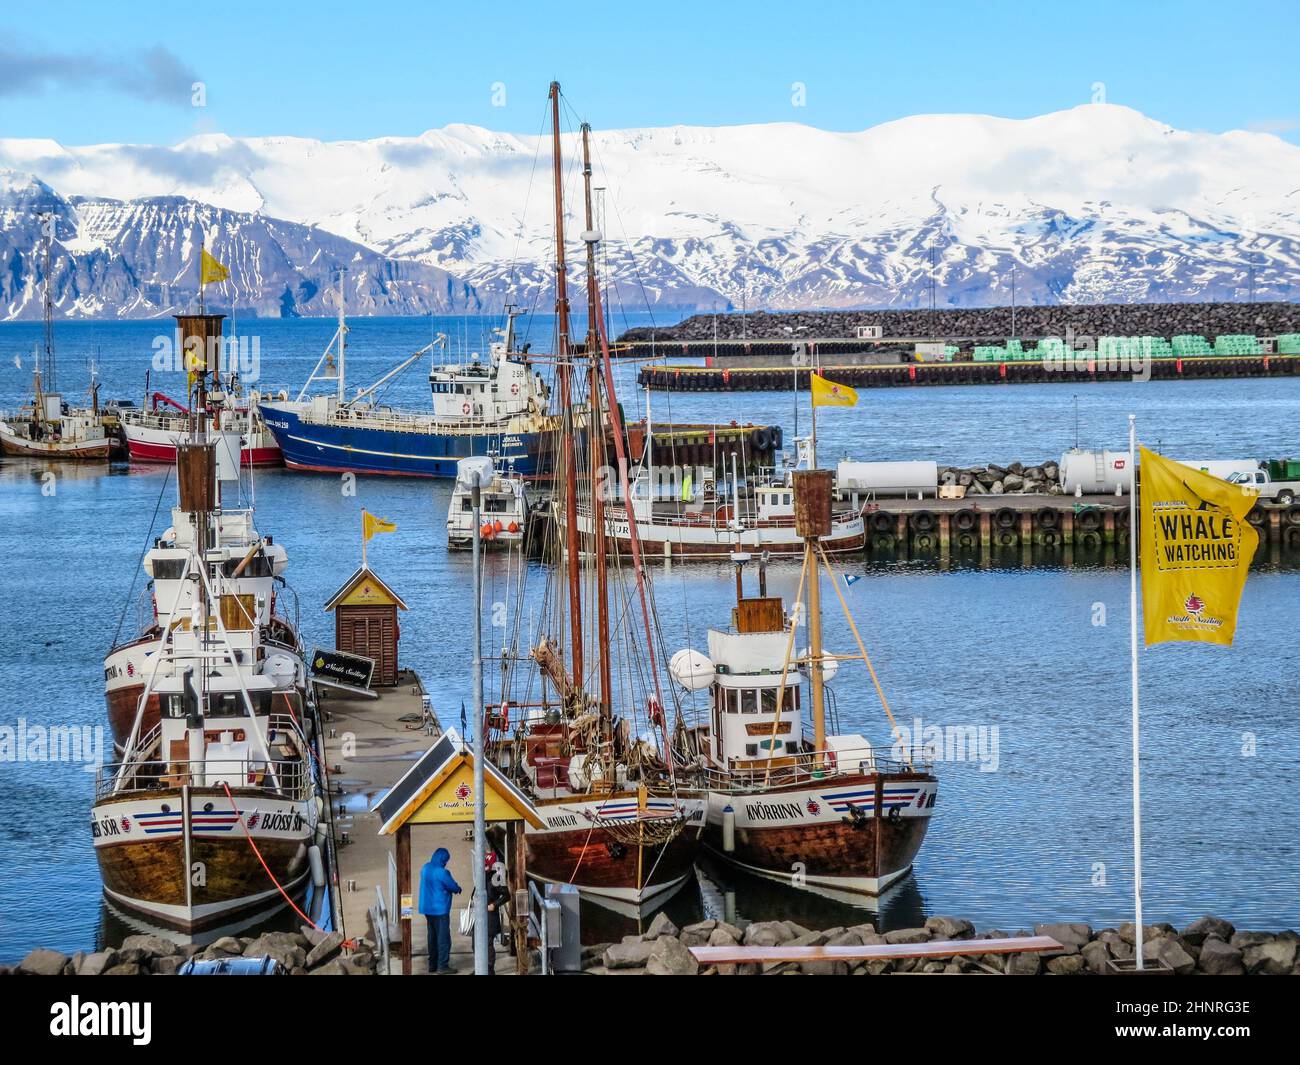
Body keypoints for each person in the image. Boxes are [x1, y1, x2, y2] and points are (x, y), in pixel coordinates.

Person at [418, 847, 461, 974]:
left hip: (427, 909)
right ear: (444, 860)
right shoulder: (442, 872)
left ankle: (432, 964)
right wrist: (458, 888)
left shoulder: (425, 867)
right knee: (443, 939)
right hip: (440, 910)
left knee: (432, 937)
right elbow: (453, 887)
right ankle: (442, 966)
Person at [483, 854, 511, 975]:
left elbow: (506, 895)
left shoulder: (496, 878)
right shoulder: (480, 875)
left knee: (488, 943)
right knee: (475, 943)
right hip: (480, 914)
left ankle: (489, 970)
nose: (484, 868)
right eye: (483, 865)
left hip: (490, 916)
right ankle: (480, 965)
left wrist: (494, 904)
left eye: (486, 866)